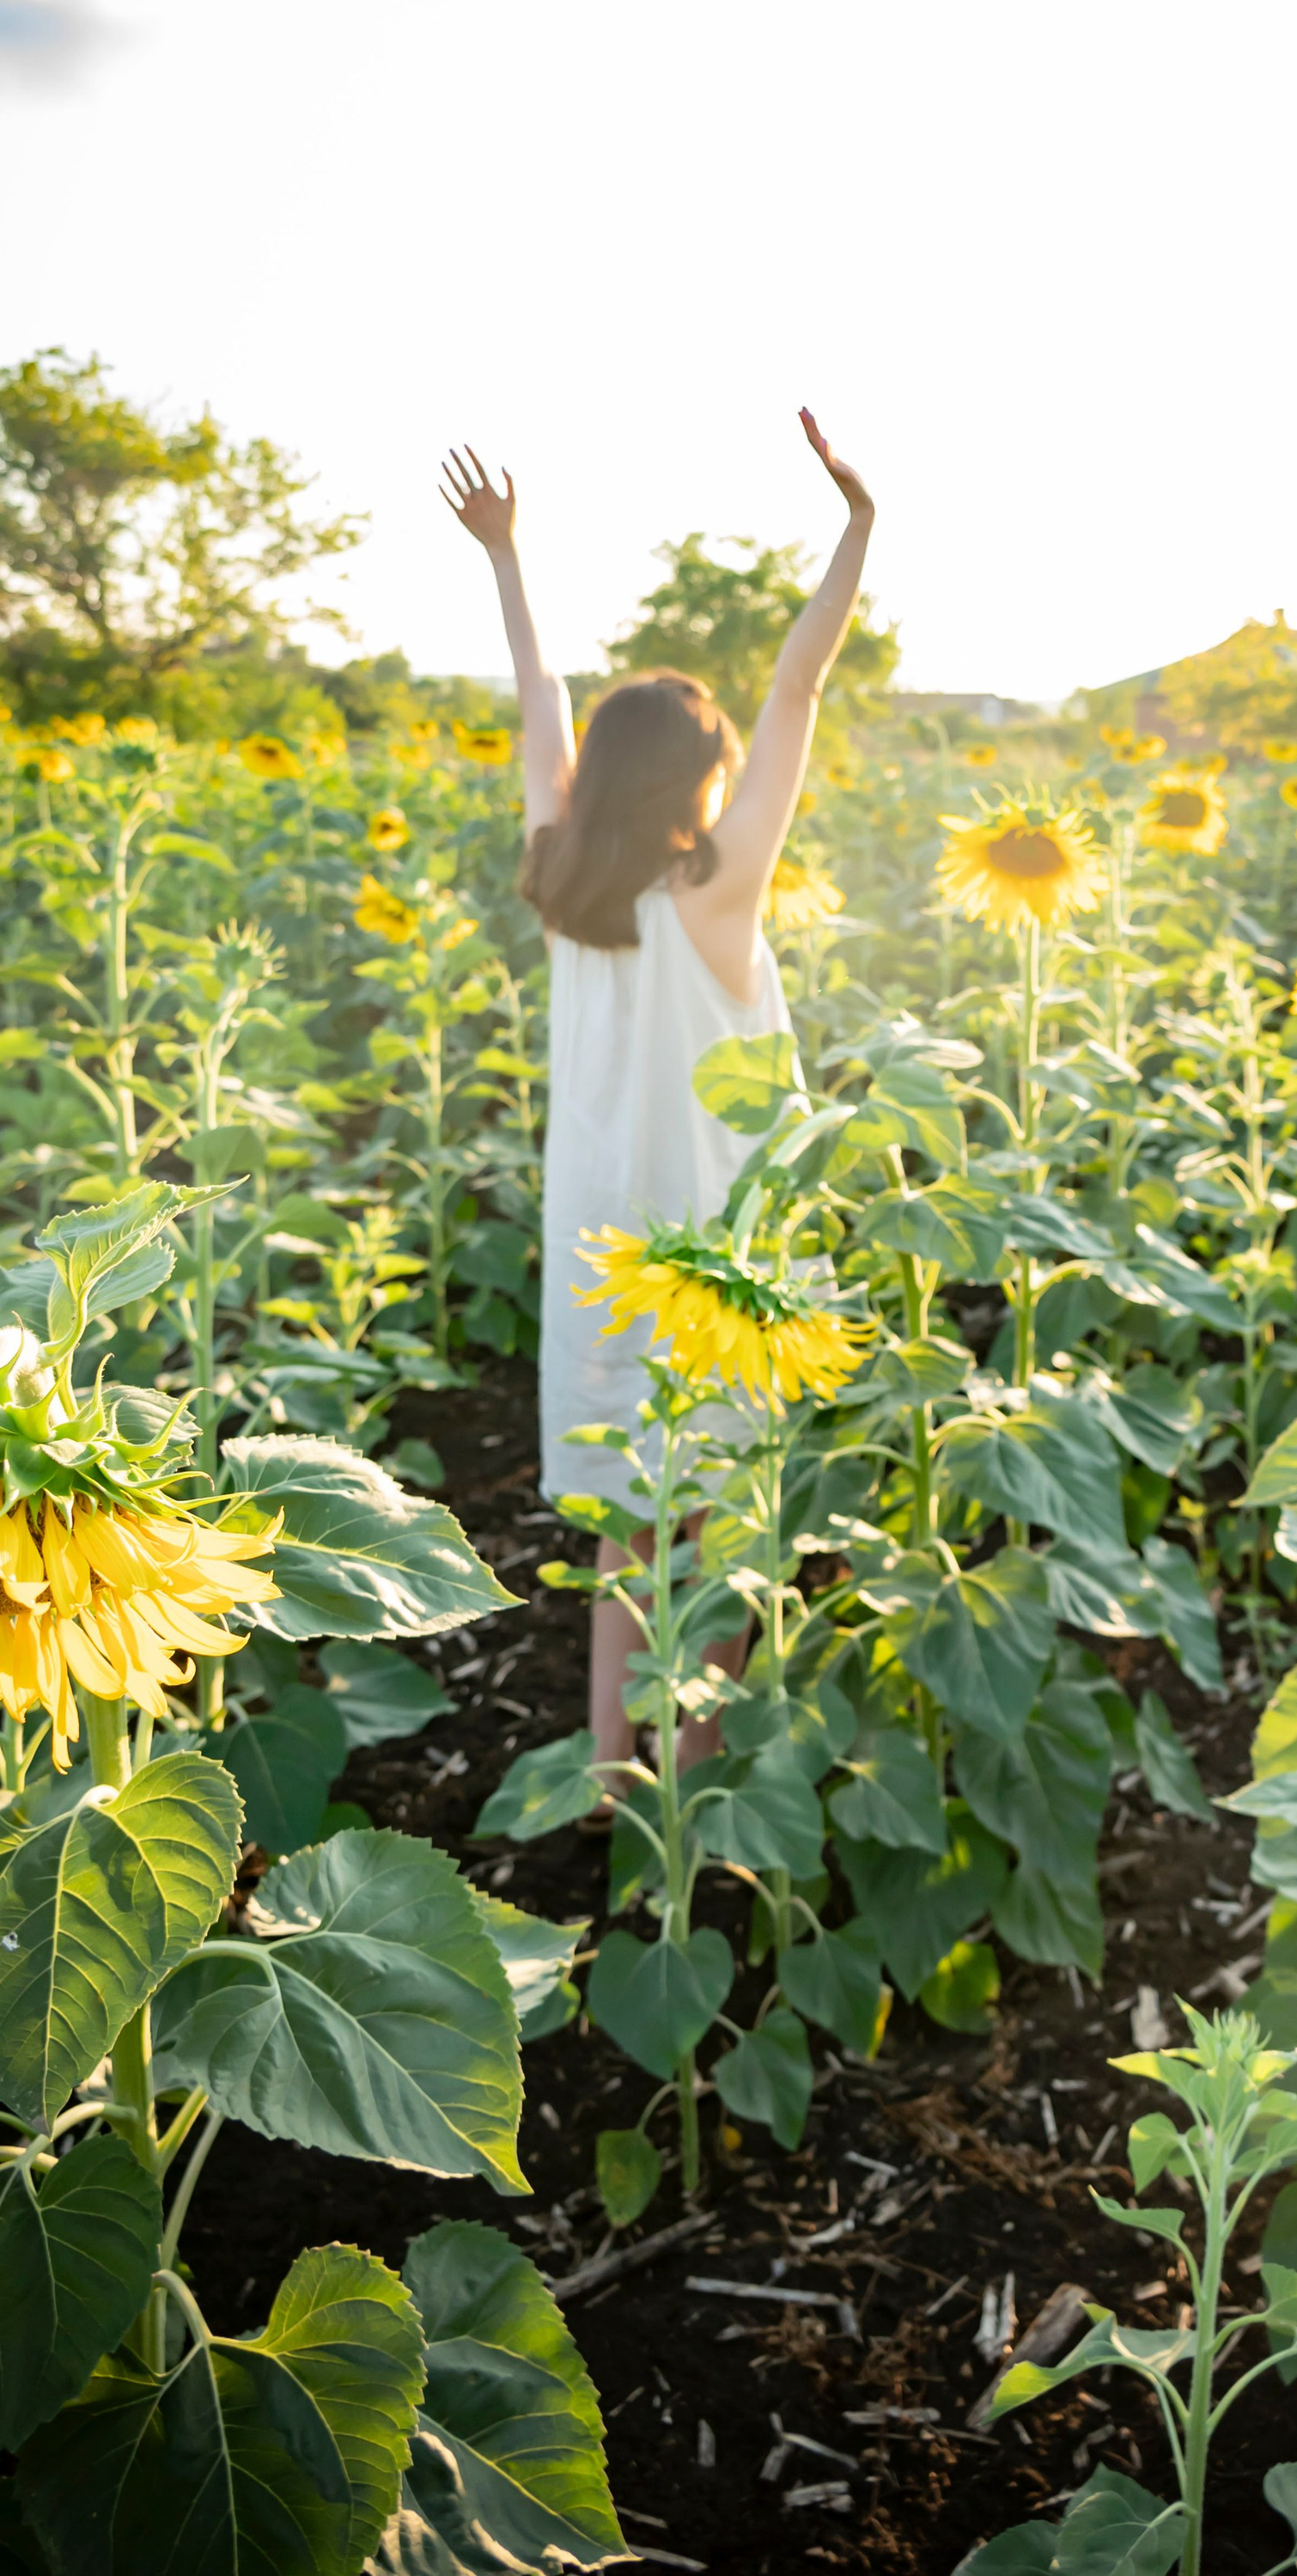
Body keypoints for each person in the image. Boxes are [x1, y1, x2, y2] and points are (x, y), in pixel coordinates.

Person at [440, 412, 874, 1773]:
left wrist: (507, 560)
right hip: (718, 1257)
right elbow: (799, 693)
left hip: (598, 1250)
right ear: (705, 780)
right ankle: (696, 1789)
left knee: (632, 1541)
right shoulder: (717, 892)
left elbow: (541, 707)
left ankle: (613, 1793)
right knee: (722, 1533)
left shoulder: (563, 882)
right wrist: (858, 530)